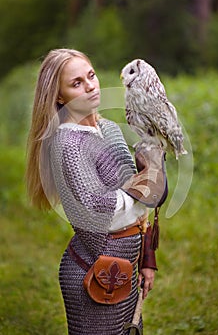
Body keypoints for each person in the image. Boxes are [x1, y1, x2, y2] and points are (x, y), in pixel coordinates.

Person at [26, 48, 167, 335]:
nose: (90, 85)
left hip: (124, 265)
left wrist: (146, 260)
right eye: (76, 83)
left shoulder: (110, 129)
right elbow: (100, 210)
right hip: (96, 272)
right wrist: (148, 183)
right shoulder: (68, 144)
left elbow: (136, 213)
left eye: (91, 76)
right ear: (59, 96)